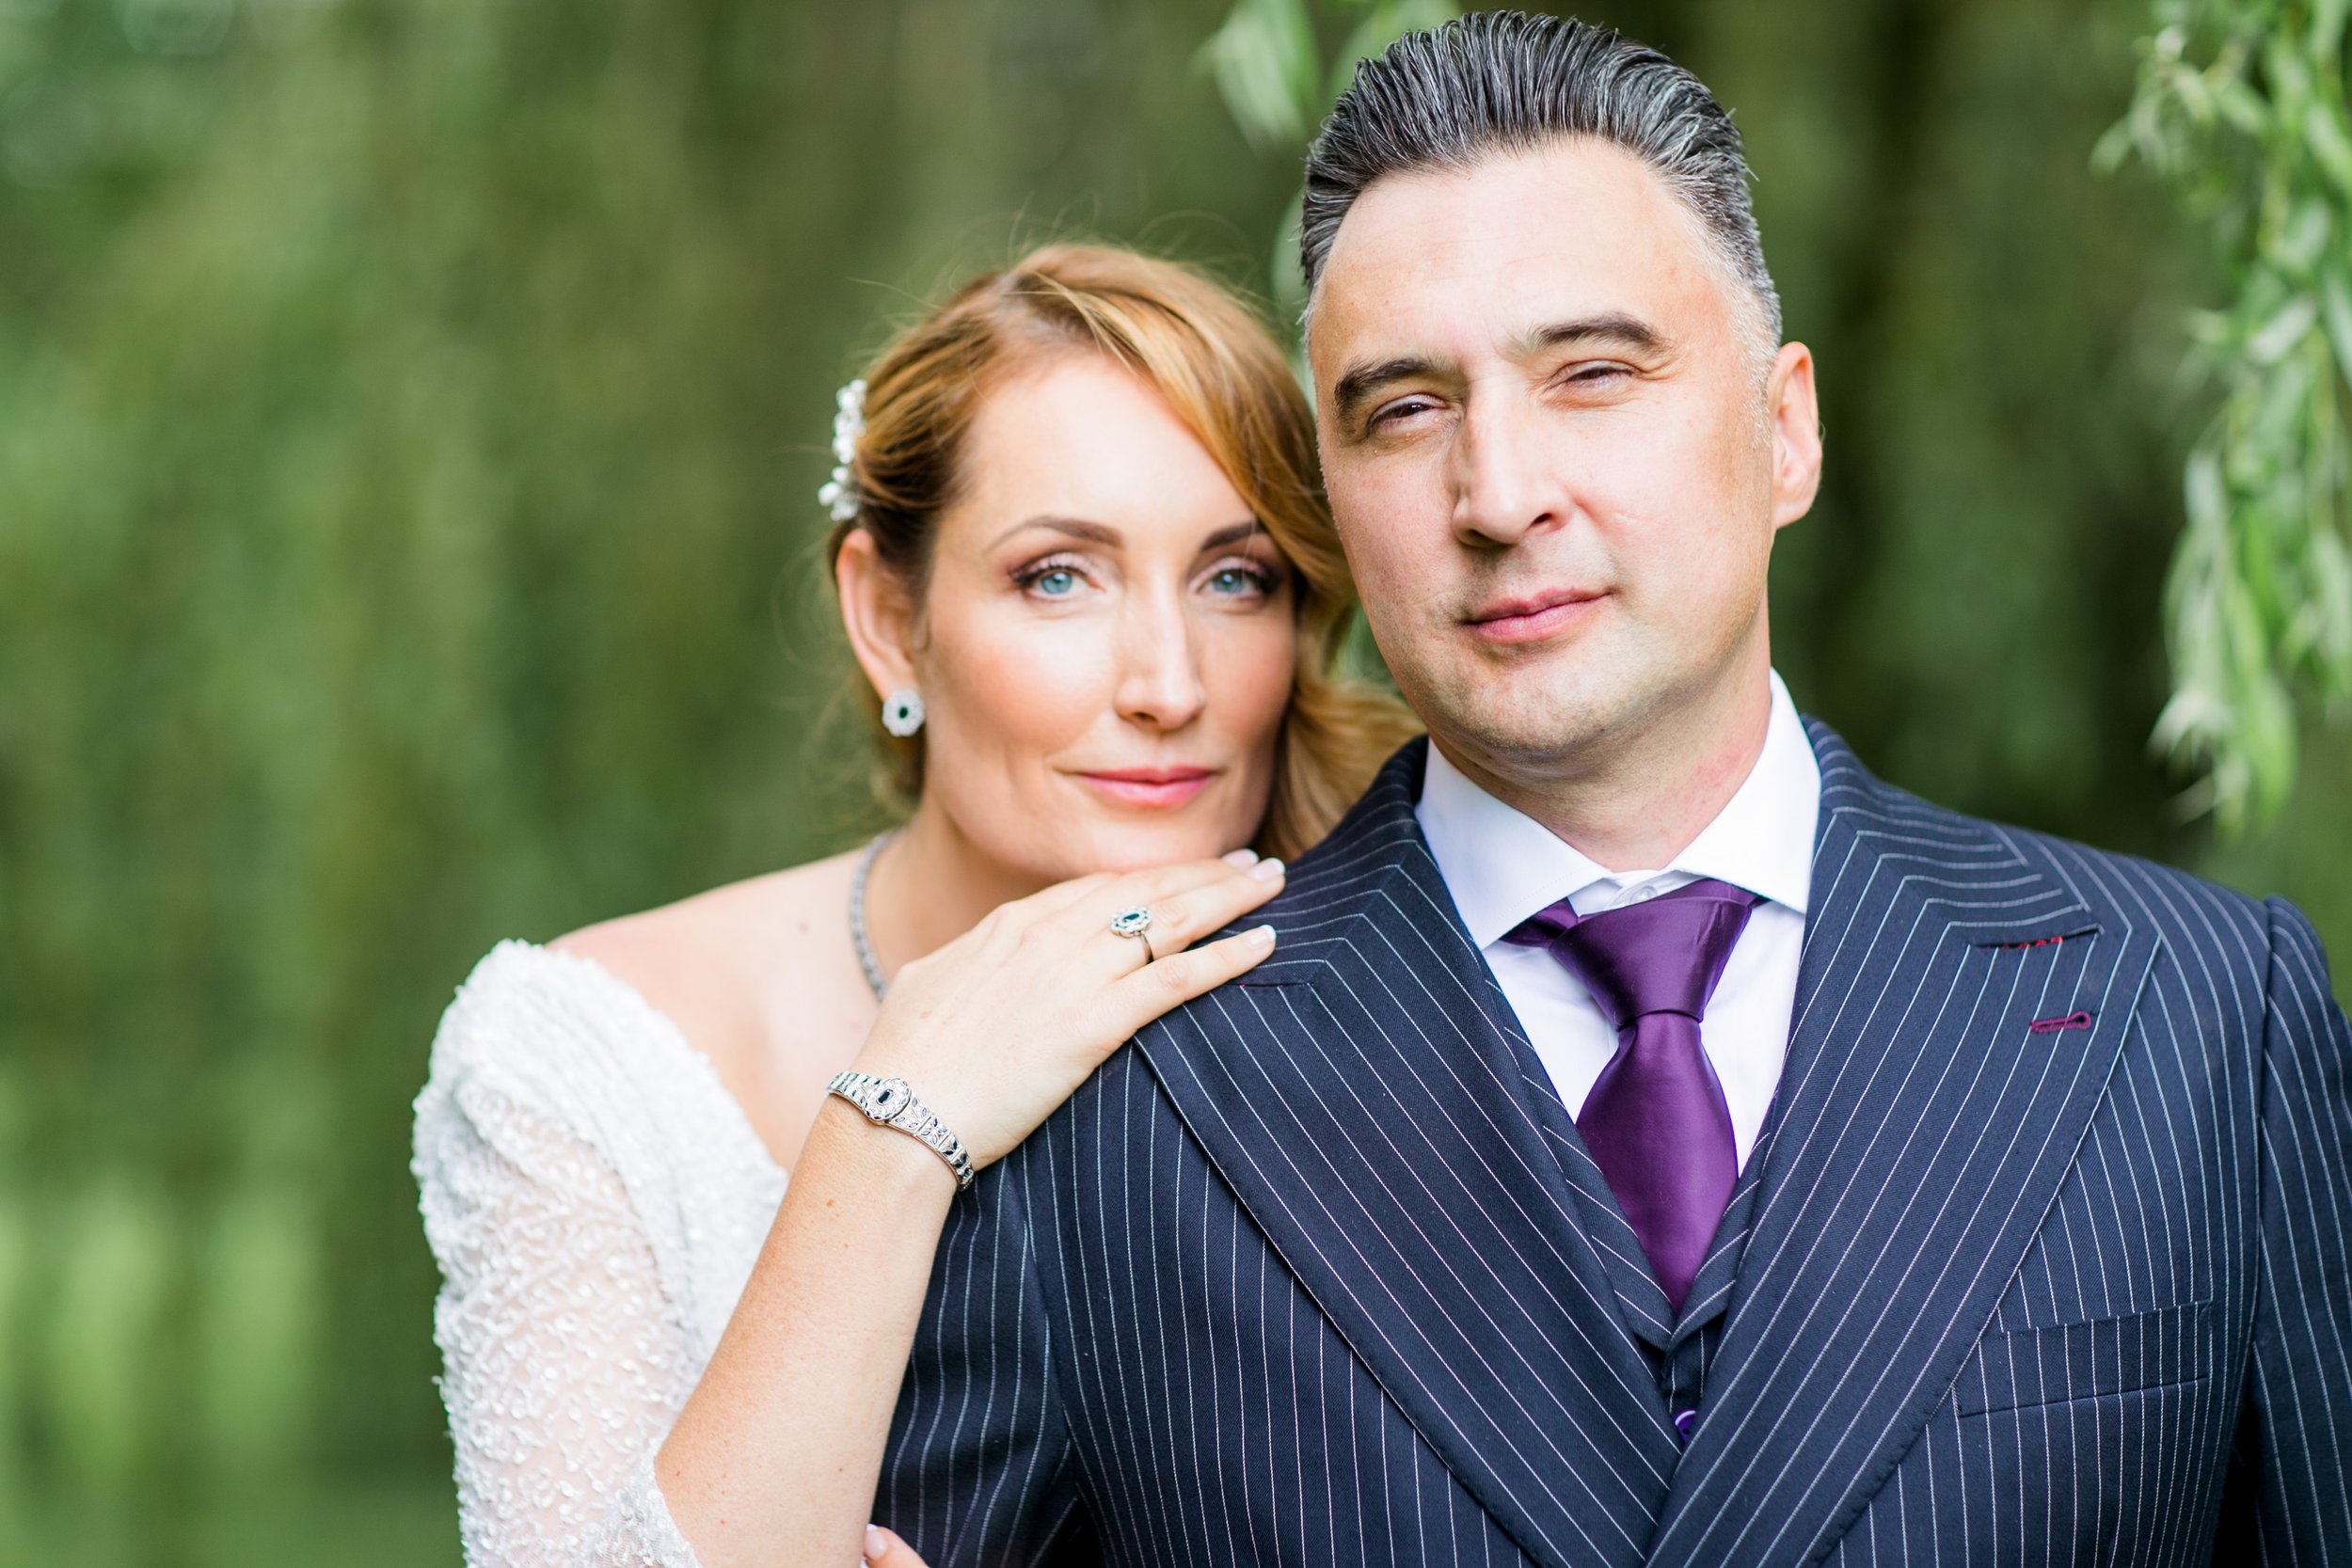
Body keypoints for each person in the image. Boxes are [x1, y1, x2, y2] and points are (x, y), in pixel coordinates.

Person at [876, 14, 2352, 1566]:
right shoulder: (1108, 1102)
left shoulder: (2205, 1017)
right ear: (1334, 496)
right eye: (1406, 409)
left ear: (1785, 431)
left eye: (1591, 374)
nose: (1500, 495)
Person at [410, 244, 1417, 1568]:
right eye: (1060, 576)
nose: (1170, 685)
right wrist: (892, 1130)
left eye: (1236, 578)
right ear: (890, 617)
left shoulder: (1427, 984)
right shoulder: (592, 1063)